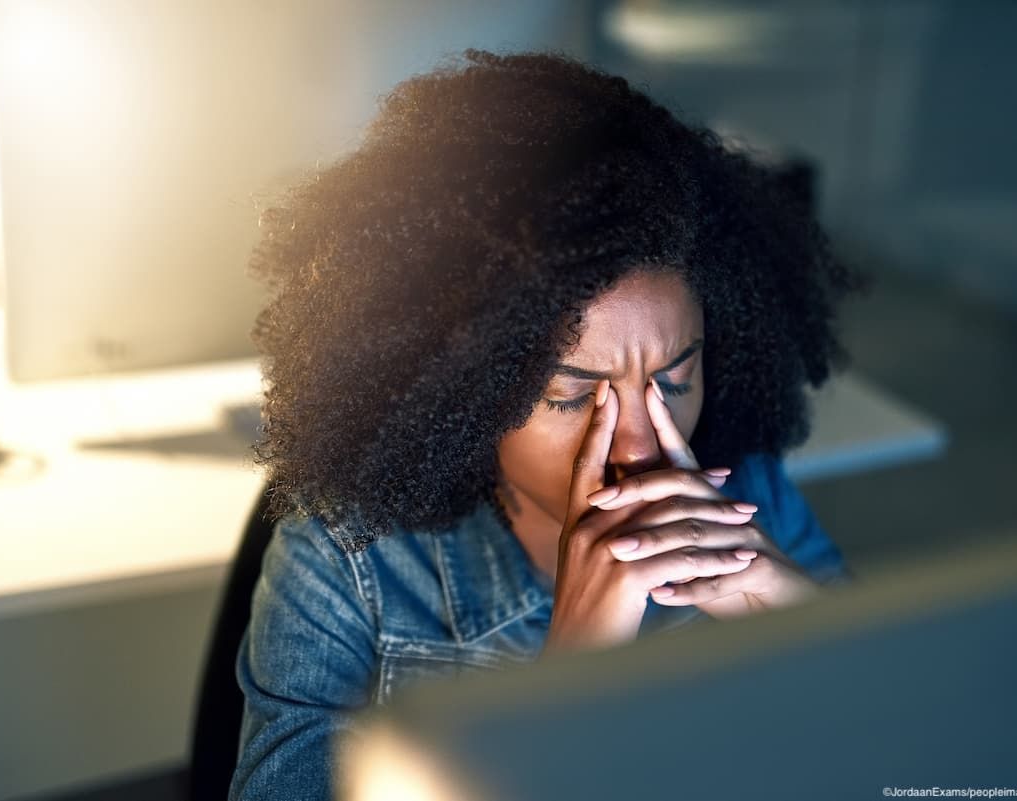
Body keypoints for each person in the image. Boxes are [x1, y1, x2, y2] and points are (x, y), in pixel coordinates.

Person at [231, 49, 861, 799]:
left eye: (674, 377)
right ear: (458, 391)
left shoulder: (751, 488)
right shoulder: (345, 562)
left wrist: (807, 624)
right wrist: (566, 683)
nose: (639, 442)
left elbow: (916, 757)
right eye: (571, 395)